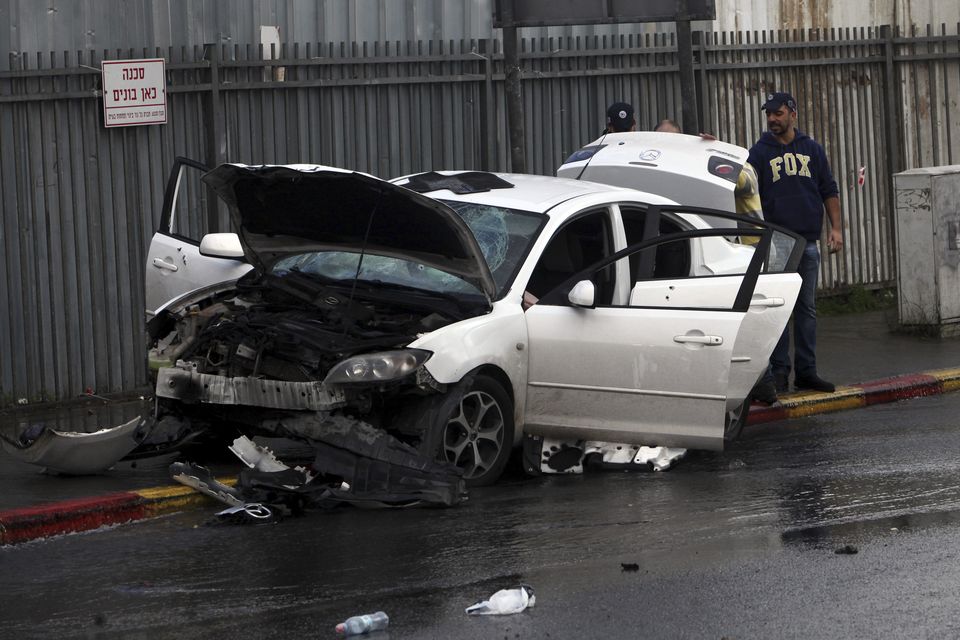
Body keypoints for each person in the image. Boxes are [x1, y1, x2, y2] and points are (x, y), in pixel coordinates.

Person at [748, 91, 842, 397]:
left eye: (778, 113)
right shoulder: (759, 154)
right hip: (776, 242)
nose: (773, 119)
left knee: (806, 310)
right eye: (769, 115)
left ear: (792, 113)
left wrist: (837, 229)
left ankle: (806, 372)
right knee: (777, 310)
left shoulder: (812, 149)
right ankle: (778, 373)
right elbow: (744, 190)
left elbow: (828, 188)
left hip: (808, 241)